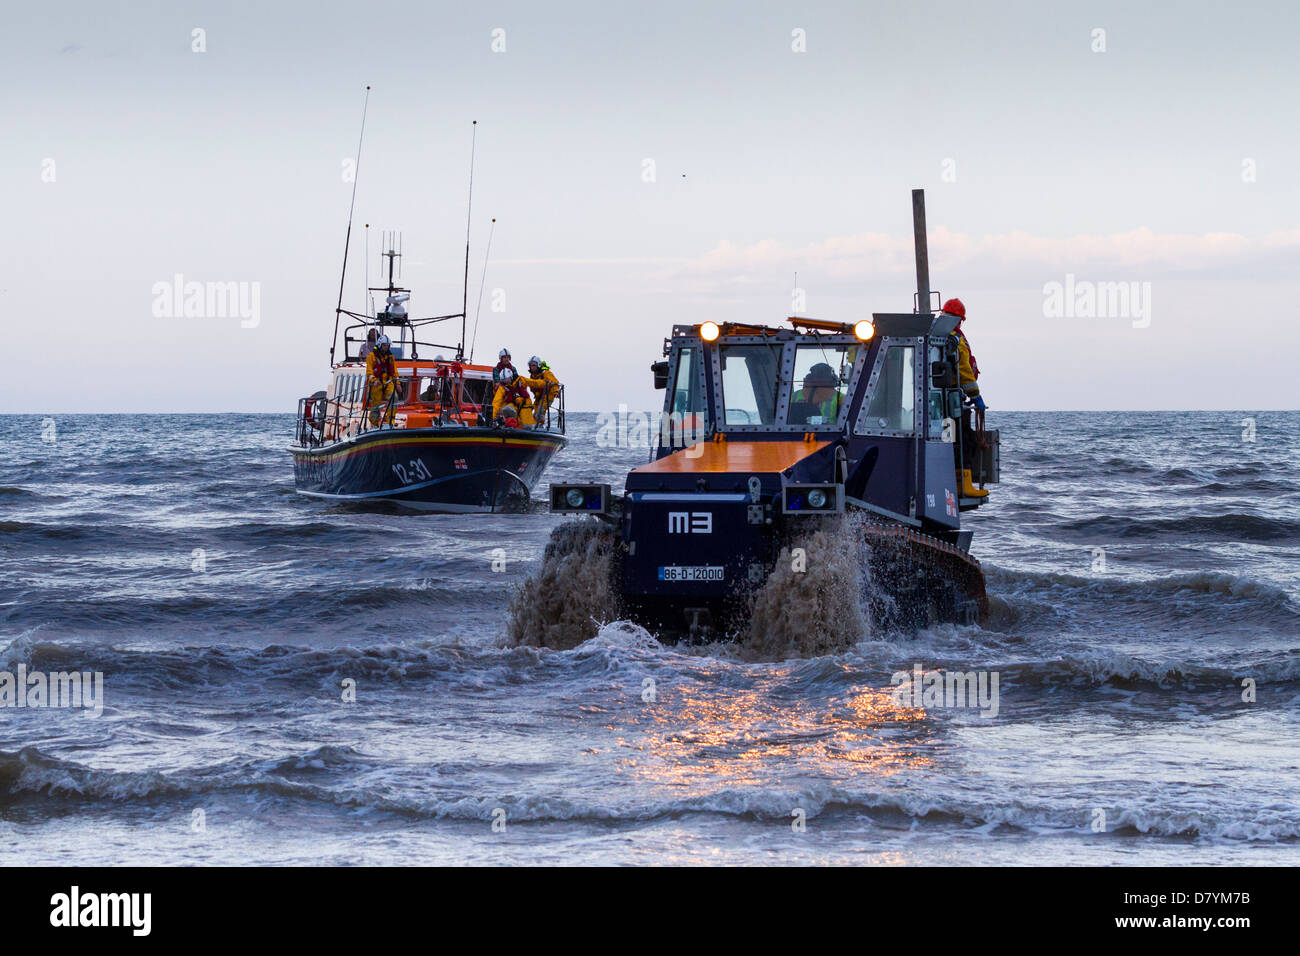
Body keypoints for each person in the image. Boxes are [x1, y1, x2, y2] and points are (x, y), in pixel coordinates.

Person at [940, 298, 989, 499]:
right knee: (965, 440)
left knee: (948, 440)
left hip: (940, 403)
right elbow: (964, 370)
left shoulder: (938, 335)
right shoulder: (954, 340)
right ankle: (964, 485)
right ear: (958, 319)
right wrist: (976, 396)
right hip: (950, 401)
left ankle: (951, 481)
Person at [366, 334, 399, 426]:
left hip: (388, 381)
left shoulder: (390, 357)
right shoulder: (371, 356)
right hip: (377, 382)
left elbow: (394, 371)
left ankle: (390, 421)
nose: (386, 347)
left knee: (394, 397)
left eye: (388, 345)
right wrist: (374, 380)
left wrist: (398, 383)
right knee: (376, 403)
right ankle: (374, 422)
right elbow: (369, 372)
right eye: (384, 345)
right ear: (380, 345)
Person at [519, 355, 560, 427]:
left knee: (540, 411)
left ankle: (540, 425)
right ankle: (536, 426)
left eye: (534, 365)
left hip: (548, 395)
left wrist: (556, 392)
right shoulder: (532, 376)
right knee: (535, 414)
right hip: (539, 397)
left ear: (538, 365)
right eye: (531, 365)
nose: (532, 367)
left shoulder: (546, 373)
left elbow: (555, 383)